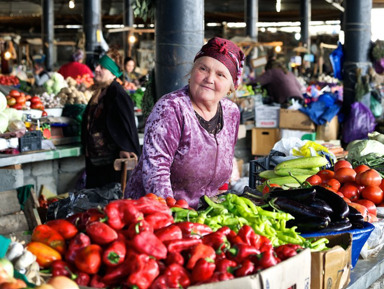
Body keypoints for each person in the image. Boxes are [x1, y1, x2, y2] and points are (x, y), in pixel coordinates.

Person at [125, 37, 245, 209]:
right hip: (155, 215)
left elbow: (224, 172)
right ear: (191, 73)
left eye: (220, 74)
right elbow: (156, 173)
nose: (209, 79)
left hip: (201, 216)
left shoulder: (231, 112)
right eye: (203, 69)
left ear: (231, 86)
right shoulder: (171, 108)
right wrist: (175, 216)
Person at [81, 48, 141, 189]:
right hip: (96, 164)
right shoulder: (100, 92)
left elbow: (127, 124)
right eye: (98, 65)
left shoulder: (118, 93)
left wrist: (125, 147)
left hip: (110, 166)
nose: (96, 69)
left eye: (102, 67)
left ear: (112, 73)